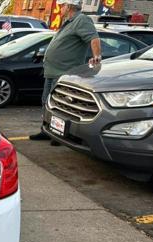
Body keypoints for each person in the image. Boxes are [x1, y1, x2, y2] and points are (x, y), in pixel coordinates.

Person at [30, 0, 102, 142]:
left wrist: (97, 57)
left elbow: (94, 39)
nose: (60, 8)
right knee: (47, 102)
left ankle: (58, 135)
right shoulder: (68, 22)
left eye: (62, 6)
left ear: (69, 6)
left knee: (59, 107)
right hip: (52, 71)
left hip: (63, 73)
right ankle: (46, 130)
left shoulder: (81, 20)